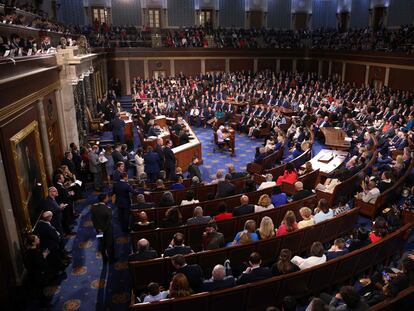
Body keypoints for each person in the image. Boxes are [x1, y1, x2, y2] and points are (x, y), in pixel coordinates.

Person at [90, 193, 115, 263]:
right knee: (110, 244)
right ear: (104, 199)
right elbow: (108, 222)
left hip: (98, 230)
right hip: (107, 230)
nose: (108, 198)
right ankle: (111, 259)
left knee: (102, 243)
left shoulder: (93, 208)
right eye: (107, 197)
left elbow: (93, 219)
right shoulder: (108, 210)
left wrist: (98, 228)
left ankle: (104, 258)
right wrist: (103, 230)